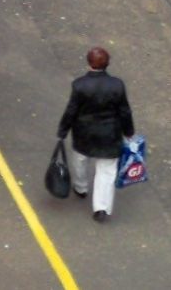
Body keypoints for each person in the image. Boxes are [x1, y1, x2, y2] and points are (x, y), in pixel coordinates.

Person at [57, 47, 136, 223]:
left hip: (84, 133)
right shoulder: (117, 85)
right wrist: (128, 131)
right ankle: (101, 207)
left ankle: (81, 187)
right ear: (107, 64)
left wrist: (63, 130)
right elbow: (125, 111)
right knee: (106, 172)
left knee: (80, 160)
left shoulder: (79, 85)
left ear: (88, 62)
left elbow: (71, 111)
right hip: (110, 134)